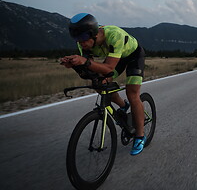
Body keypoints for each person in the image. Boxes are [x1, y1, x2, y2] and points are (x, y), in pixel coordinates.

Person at [60, 13, 146, 155]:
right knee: (100, 84)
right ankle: (124, 106)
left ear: (93, 33)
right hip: (116, 58)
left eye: (82, 38)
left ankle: (140, 136)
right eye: (76, 39)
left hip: (133, 57)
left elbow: (108, 69)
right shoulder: (84, 43)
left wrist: (84, 61)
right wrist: (74, 65)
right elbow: (89, 73)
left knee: (132, 93)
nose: (80, 43)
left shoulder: (114, 35)